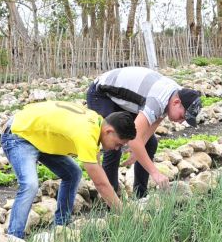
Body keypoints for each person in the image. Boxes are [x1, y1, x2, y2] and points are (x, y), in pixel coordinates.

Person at [1, 101, 137, 239]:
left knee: (73, 174)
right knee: (30, 185)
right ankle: (14, 240)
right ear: (109, 131)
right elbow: (100, 184)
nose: (117, 149)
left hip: (40, 136)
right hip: (19, 135)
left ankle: (61, 226)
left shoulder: (97, 122)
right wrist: (124, 214)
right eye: (118, 144)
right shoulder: (87, 133)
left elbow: (96, 163)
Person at [86, 66, 202, 198]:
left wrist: (138, 149)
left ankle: (140, 195)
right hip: (102, 94)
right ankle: (111, 200)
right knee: (114, 143)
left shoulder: (175, 94)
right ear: (176, 103)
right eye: (182, 116)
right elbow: (134, 140)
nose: (181, 121)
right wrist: (155, 173)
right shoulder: (158, 100)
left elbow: (154, 122)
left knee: (150, 144)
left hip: (127, 102)